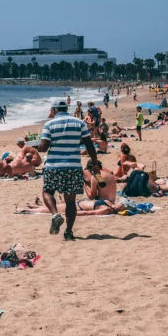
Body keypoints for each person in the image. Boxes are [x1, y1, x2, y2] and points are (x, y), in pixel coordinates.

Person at [33, 100, 100, 241]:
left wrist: (35, 146)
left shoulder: (49, 125)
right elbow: (89, 145)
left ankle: (55, 214)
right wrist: (95, 163)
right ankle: (69, 231)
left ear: (54, 110)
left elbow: (44, 148)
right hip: (73, 167)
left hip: (54, 166)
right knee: (70, 201)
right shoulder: (80, 123)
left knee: (47, 192)